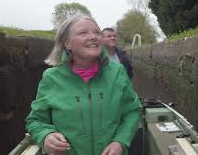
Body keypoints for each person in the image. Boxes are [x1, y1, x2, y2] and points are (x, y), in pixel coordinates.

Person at [25, 15, 142, 155]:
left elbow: (132, 111)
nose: (93, 36)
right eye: (83, 33)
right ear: (67, 43)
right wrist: (45, 136)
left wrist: (121, 142)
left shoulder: (118, 72)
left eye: (96, 32)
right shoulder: (51, 77)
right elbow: (35, 121)